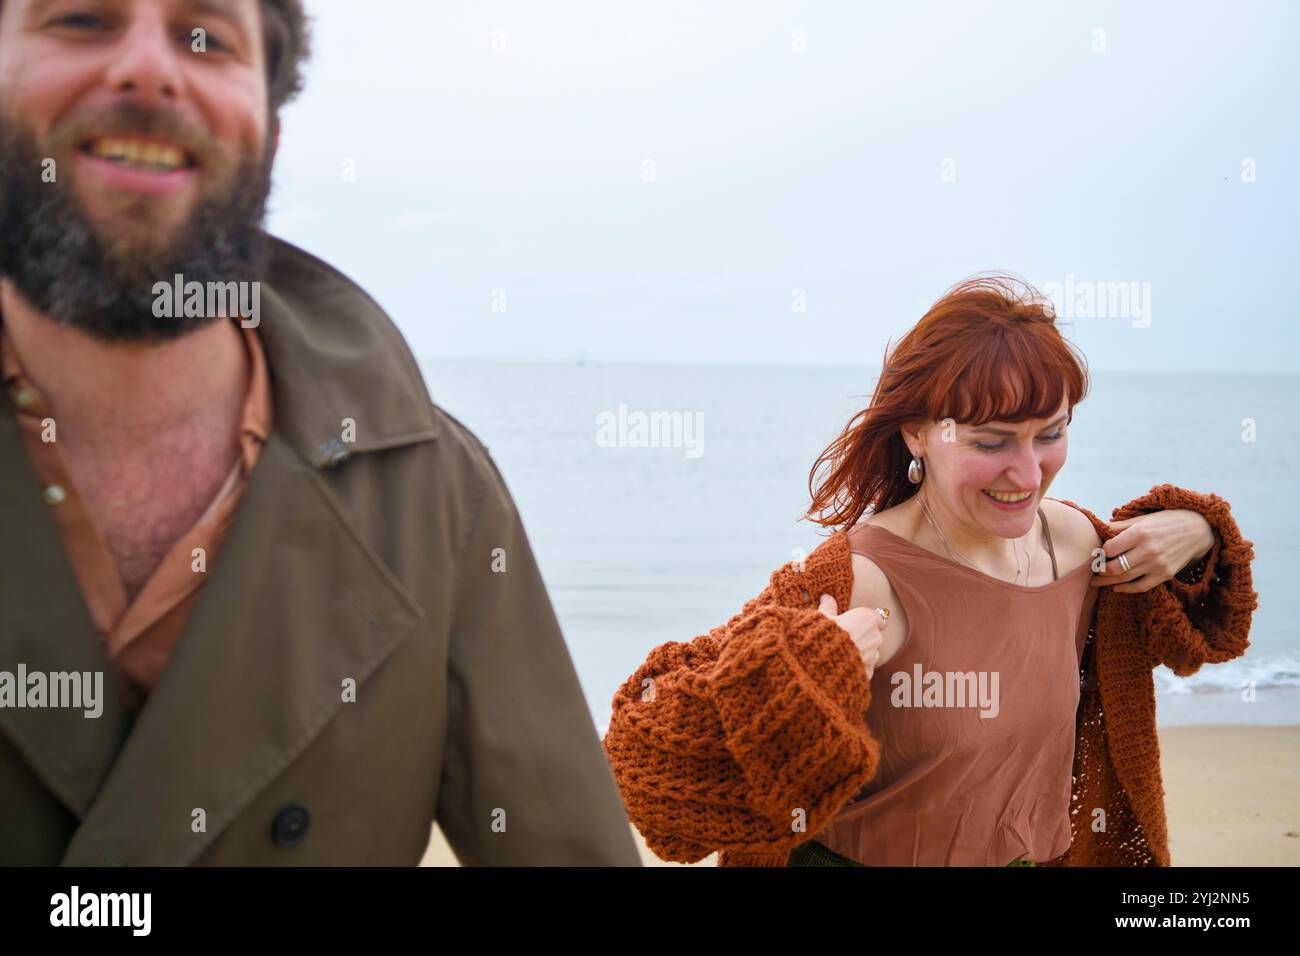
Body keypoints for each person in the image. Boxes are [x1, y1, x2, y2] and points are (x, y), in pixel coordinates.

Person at [0, 0, 640, 865]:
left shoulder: (434, 497)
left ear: (268, 108)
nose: (147, 70)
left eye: (207, 37)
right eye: (82, 20)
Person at [602, 274, 1256, 866]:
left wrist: (1197, 529)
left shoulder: (1080, 544)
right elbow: (647, 758)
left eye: (1050, 434)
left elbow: (1206, 627)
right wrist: (804, 670)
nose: (1027, 475)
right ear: (917, 433)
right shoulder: (856, 578)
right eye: (991, 442)